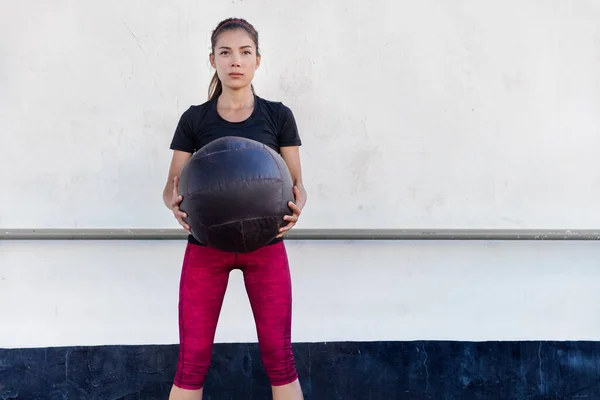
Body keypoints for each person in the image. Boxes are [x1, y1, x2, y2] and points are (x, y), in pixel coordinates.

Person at [162, 17, 307, 400]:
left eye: (245, 52)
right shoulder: (195, 119)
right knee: (191, 361)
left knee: (280, 357)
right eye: (225, 53)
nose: (235, 61)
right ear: (212, 60)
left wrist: (298, 205)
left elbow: (297, 184)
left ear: (258, 60)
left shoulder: (278, 116)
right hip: (206, 248)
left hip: (266, 247)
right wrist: (174, 206)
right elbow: (170, 187)